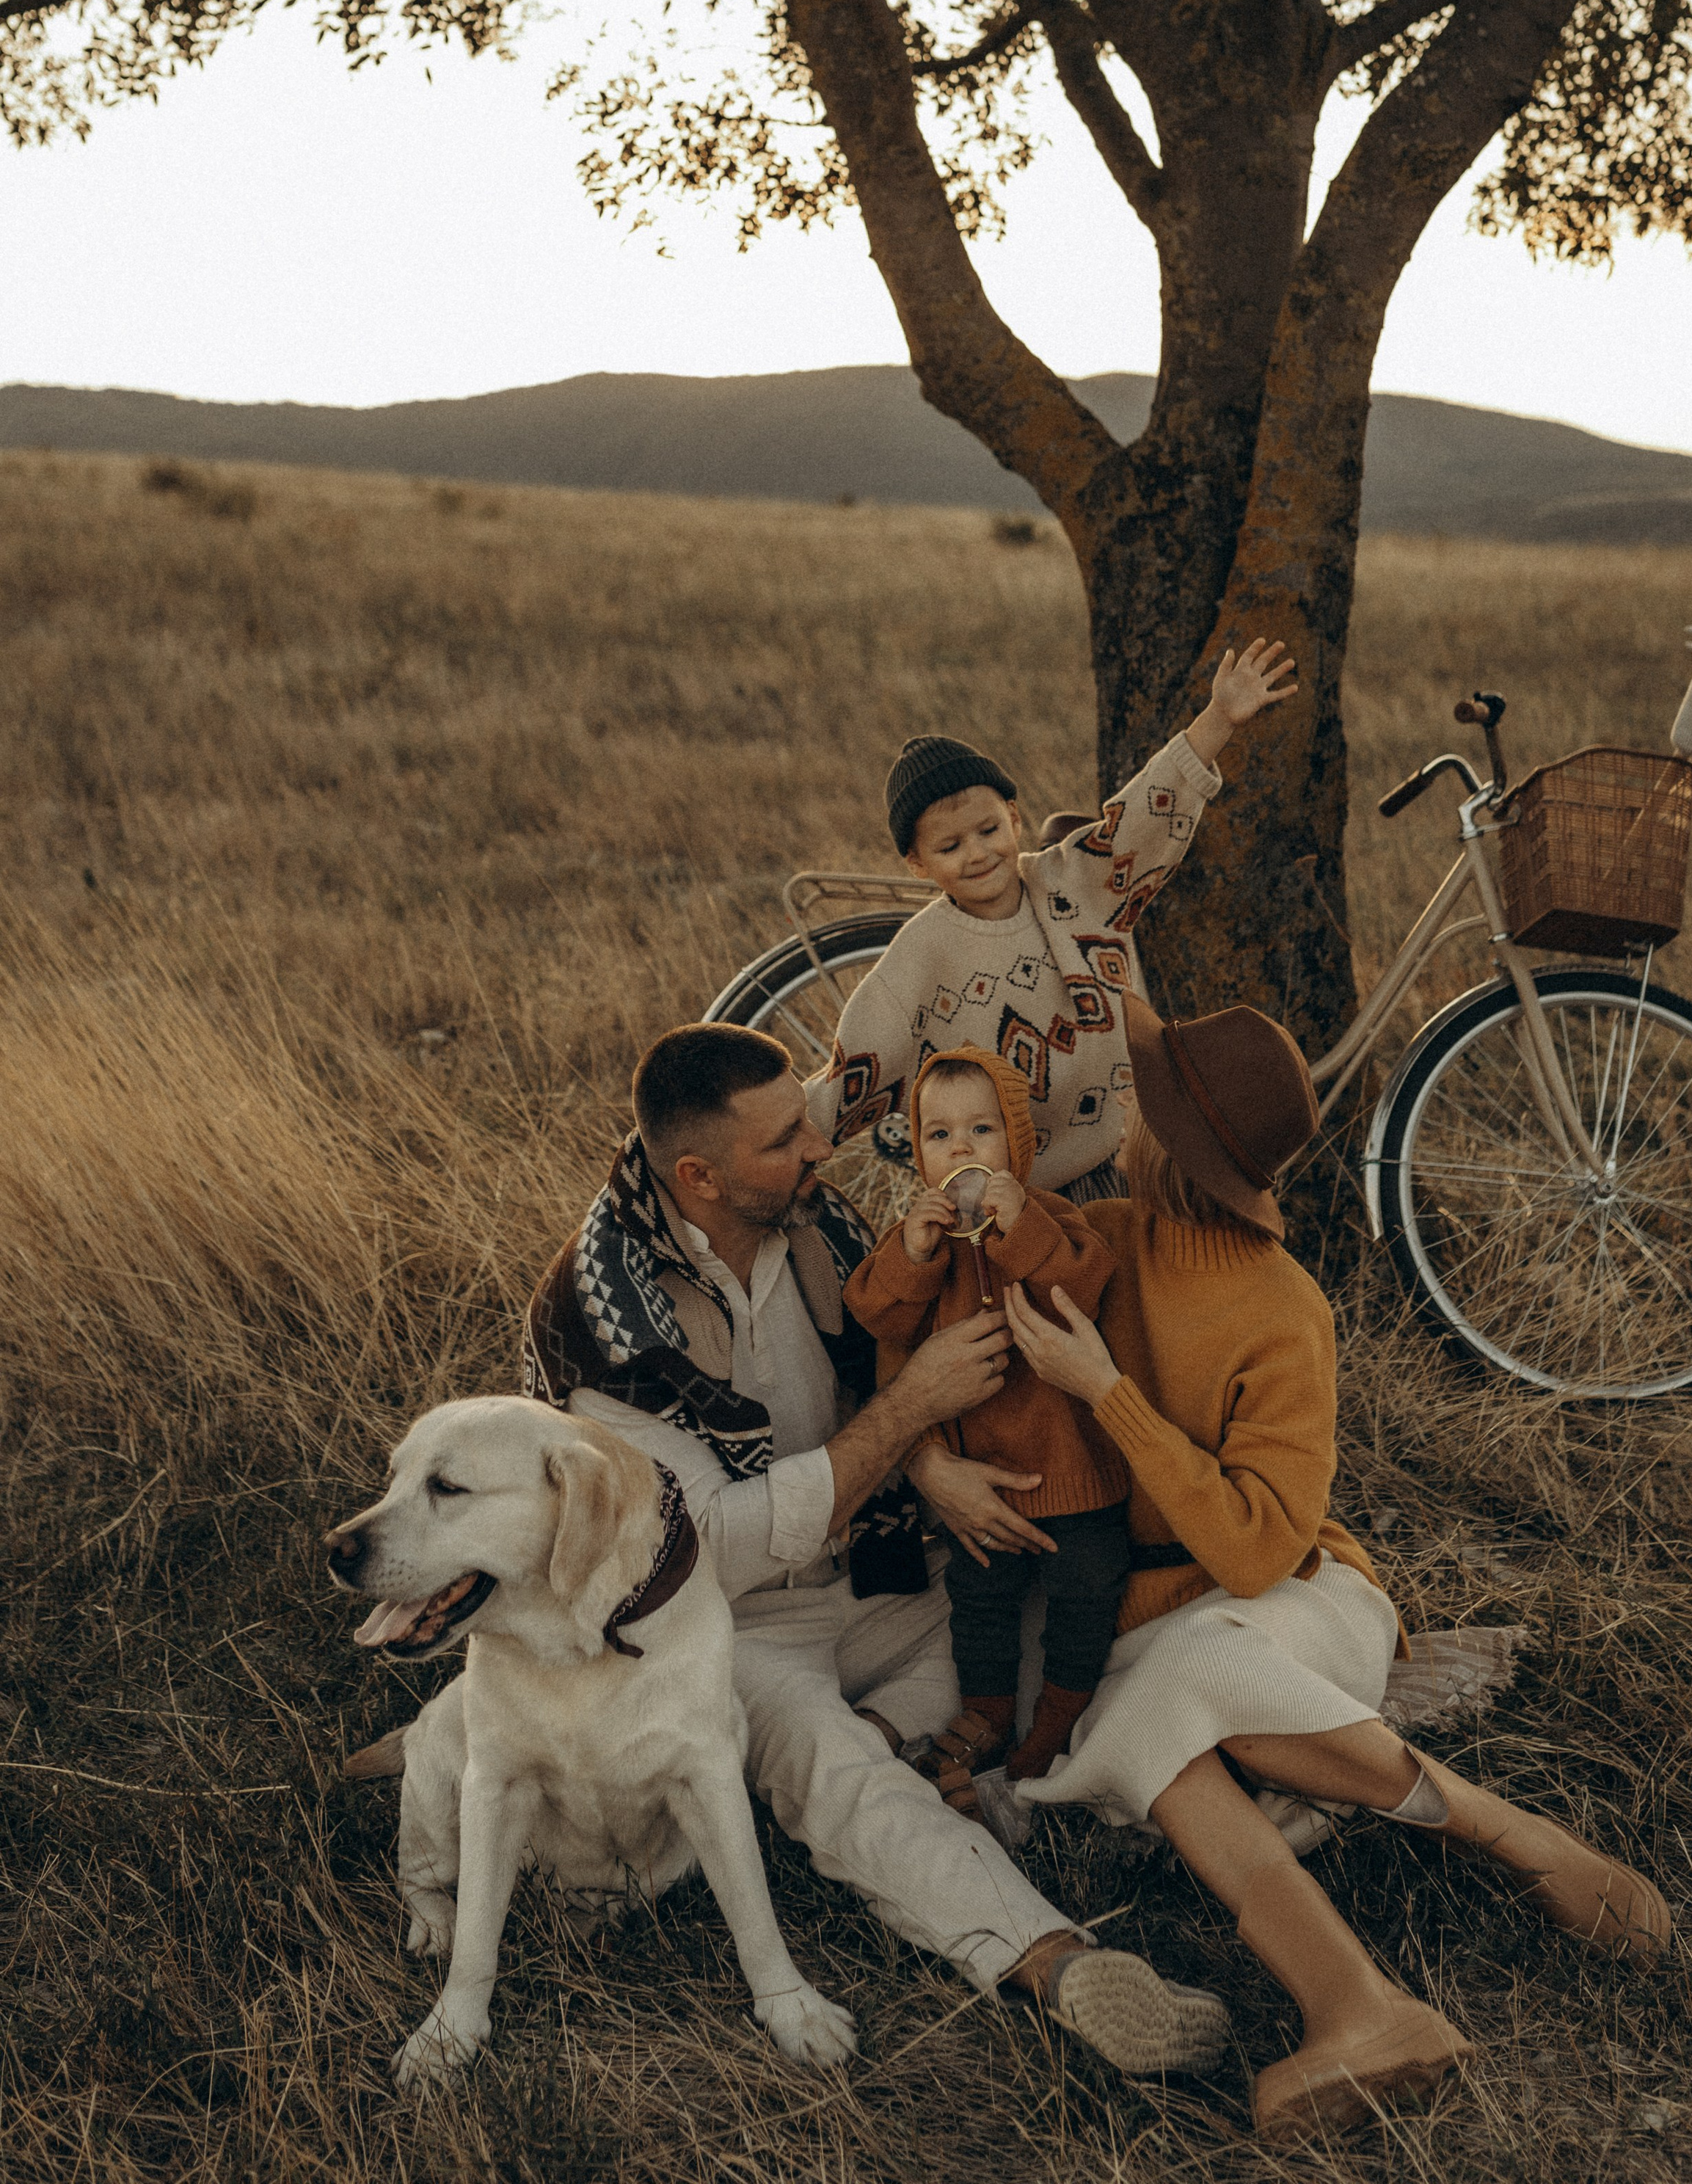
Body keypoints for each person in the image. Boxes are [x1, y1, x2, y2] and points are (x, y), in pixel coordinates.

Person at [960, 985, 1673, 2143]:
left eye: (1142, 1110)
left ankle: (1445, 1897)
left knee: (1175, 1689)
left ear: (1172, 1146)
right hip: (1145, 1623)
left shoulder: (1284, 1308)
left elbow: (1254, 1550)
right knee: (1152, 1711)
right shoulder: (1106, 1246)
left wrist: (1111, 1397)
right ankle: (1377, 1986)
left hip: (1296, 1599)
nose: (1122, 1123)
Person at [522, 1021, 1230, 2077]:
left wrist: (933, 1465)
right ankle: (1060, 1965)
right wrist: (909, 1419)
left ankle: (1221, 1773)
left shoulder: (818, 1222)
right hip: (712, 1620)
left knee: (1076, 1609)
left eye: (809, 1126)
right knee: (828, 1760)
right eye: (784, 1143)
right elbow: (713, 1550)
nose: (821, 1149)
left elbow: (890, 1355)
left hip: (881, 1562)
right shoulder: (602, 1316)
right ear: (699, 1176)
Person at [802, 638, 1297, 1203]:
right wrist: (779, 1147)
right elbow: (853, 1069)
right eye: (950, 846)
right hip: (1010, 1191)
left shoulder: (1075, 882)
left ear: (1014, 818)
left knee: (1139, 1285)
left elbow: (1142, 815)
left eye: (989, 831)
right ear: (917, 864)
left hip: (1128, 1153)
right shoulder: (923, 953)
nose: (978, 854)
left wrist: (1218, 719)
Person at [842, 1046, 1129, 1813]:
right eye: (938, 1135)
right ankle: (991, 1711)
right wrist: (912, 1251)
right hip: (979, 1483)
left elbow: (1087, 1285)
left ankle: (1060, 1713)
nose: (960, 1149)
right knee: (980, 1601)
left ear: (1019, 1146)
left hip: (1071, 1473)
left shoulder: (1051, 1219)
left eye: (980, 1130)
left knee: (1084, 1590)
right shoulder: (924, 1243)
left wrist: (1018, 1229)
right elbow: (877, 1314)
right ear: (918, 1153)